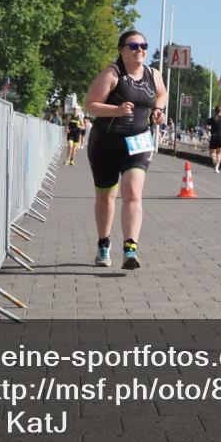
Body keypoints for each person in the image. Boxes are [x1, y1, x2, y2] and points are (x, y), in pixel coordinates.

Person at [83, 30, 167, 269]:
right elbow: (90, 105)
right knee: (106, 196)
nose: (139, 49)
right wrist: (116, 111)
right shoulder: (112, 74)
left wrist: (159, 110)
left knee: (132, 193)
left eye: (143, 45)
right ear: (122, 49)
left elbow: (162, 93)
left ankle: (130, 249)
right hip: (106, 142)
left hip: (139, 141)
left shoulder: (154, 74)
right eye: (133, 46)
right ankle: (103, 243)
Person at [205, 106, 221, 173]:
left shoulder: (212, 118)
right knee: (219, 153)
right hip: (220, 137)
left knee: (212, 152)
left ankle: (213, 159)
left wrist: (208, 130)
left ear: (215, 111)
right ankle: (216, 168)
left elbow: (206, 126)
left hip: (214, 136)